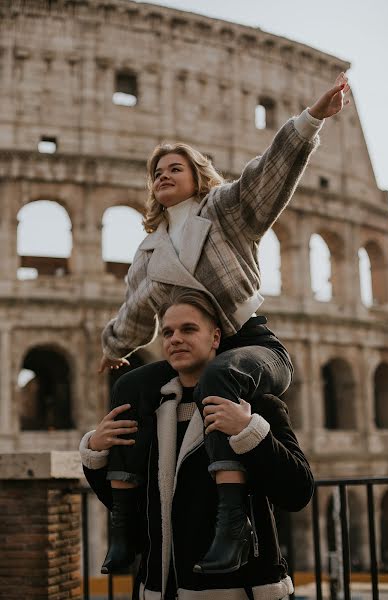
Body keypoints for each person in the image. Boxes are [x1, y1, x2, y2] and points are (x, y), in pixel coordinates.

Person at [97, 73, 350, 574]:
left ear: (198, 176)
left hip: (252, 345)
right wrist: (114, 345)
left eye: (176, 167)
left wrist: (310, 119)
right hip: (195, 352)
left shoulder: (227, 211)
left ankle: (233, 524)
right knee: (129, 386)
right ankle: (125, 523)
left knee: (221, 376)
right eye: (157, 172)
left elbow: (267, 174)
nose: (164, 175)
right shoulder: (148, 251)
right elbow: (137, 311)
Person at [81, 290, 315, 600]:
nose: (175, 339)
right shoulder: (148, 412)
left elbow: (298, 491)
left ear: (216, 337)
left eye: (188, 329)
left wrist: (248, 431)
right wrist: (97, 454)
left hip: (241, 591)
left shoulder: (258, 406)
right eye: (167, 332)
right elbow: (133, 510)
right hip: (160, 589)